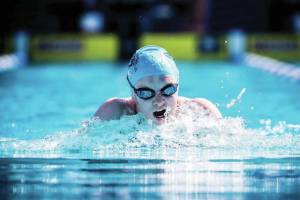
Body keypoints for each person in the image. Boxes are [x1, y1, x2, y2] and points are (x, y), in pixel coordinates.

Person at [94, 45, 221, 125]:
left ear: (178, 87)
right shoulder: (114, 112)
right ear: (133, 94)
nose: (159, 101)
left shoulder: (200, 112)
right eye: (146, 93)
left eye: (168, 90)